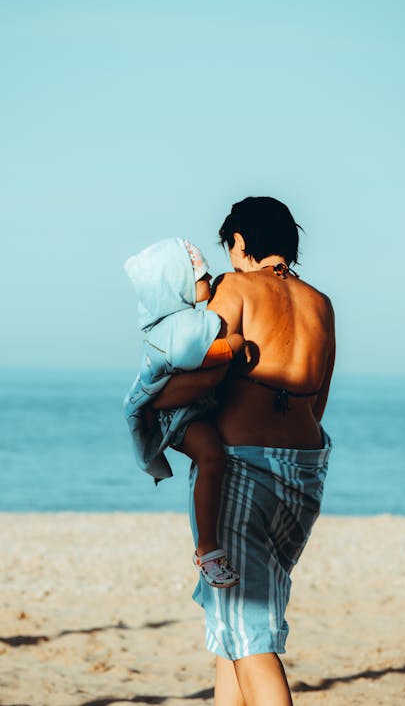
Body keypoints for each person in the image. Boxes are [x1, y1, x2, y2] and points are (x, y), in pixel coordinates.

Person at [151, 197, 336, 706]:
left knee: (250, 637)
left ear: (239, 242)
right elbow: (318, 399)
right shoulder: (321, 304)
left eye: (229, 246)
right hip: (304, 474)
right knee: (231, 624)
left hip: (242, 471)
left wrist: (154, 403)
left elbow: (198, 368)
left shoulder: (236, 288)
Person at [123, 237, 244, 588]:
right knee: (211, 459)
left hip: (187, 409)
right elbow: (206, 355)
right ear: (177, 285)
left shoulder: (179, 321)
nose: (210, 280)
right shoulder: (179, 327)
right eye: (201, 275)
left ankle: (210, 544)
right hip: (175, 415)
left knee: (213, 459)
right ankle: (207, 549)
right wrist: (236, 345)